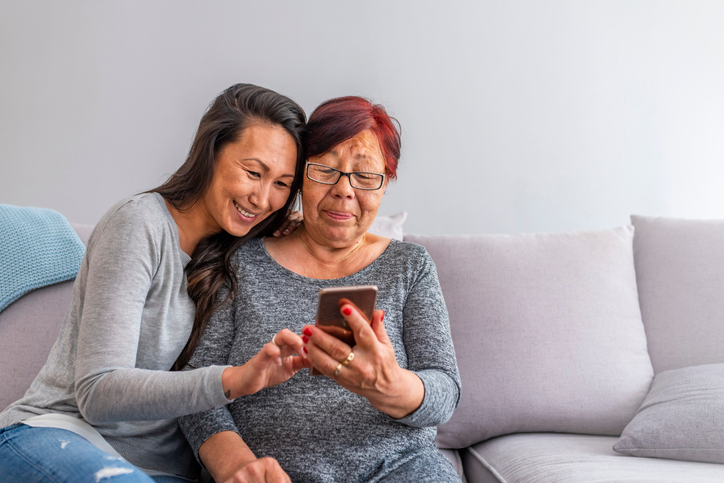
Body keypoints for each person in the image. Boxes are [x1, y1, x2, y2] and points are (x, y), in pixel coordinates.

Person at [0, 84, 310, 483]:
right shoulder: (139, 225)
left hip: (163, 473)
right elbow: (98, 391)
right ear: (211, 152)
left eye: (282, 185)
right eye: (253, 173)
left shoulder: (241, 253)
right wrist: (233, 380)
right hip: (63, 436)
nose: (263, 198)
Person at [179, 96, 462, 483]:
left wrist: (391, 386)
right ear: (299, 177)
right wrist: (239, 467)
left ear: (385, 184)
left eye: (364, 176)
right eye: (325, 170)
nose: (345, 190)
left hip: (397, 469)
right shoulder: (243, 260)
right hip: (268, 472)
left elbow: (445, 389)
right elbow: (197, 389)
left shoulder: (410, 266)